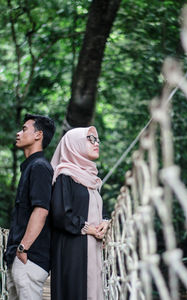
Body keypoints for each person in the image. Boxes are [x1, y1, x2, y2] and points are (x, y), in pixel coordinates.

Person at [50, 126, 109, 300]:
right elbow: (60, 214)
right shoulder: (65, 176)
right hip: (73, 251)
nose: (96, 143)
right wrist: (88, 228)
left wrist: (105, 222)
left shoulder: (92, 179)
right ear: (74, 144)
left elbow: (99, 209)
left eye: (97, 139)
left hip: (94, 249)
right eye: (90, 139)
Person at [4, 113, 56, 300]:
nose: (18, 133)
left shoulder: (40, 167)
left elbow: (41, 210)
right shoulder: (30, 167)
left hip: (29, 258)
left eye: (24, 129)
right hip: (19, 258)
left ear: (38, 135)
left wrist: (23, 249)